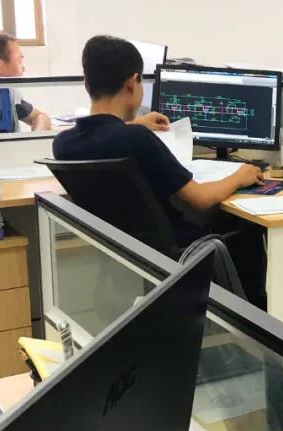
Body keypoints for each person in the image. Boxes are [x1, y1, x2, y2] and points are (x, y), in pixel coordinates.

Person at [53, 36, 265, 289]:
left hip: (125, 259)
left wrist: (133, 124)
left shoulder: (64, 144)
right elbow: (200, 199)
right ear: (132, 83)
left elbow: (101, 135)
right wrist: (239, 176)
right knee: (248, 230)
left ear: (87, 84)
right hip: (181, 255)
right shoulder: (136, 139)